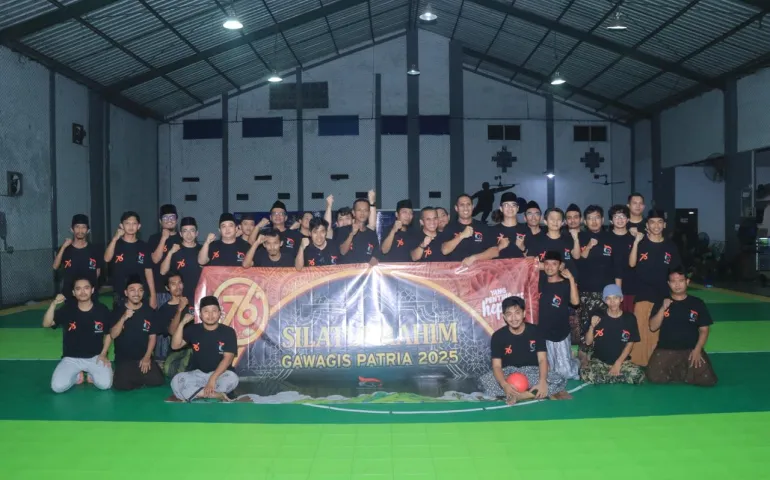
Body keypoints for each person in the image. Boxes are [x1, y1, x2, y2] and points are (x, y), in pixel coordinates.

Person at [478, 296, 568, 404]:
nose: (514, 318)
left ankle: (522, 396)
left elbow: (542, 359)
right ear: (504, 317)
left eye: (517, 313)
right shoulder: (498, 336)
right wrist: (504, 385)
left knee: (559, 379)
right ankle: (525, 392)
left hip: (532, 372)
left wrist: (542, 381)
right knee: (485, 382)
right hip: (508, 373)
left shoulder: (536, 331)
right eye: (509, 314)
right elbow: (496, 366)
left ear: (524, 313)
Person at [646, 268, 717, 386]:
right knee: (654, 377)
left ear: (687, 282)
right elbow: (653, 327)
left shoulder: (697, 303)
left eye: (681, 281)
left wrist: (697, 350)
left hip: (691, 349)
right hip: (666, 349)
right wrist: (663, 308)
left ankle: (682, 371)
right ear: (669, 284)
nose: (677, 284)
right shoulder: (661, 302)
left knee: (707, 380)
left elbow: (704, 330)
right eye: (673, 281)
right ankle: (682, 372)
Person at [629, 209, 682, 366]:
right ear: (647, 225)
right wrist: (636, 240)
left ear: (664, 225)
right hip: (642, 294)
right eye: (652, 222)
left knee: (658, 331)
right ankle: (638, 362)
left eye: (660, 222)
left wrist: (677, 293)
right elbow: (631, 264)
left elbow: (676, 270)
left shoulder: (670, 246)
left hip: (663, 295)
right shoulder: (640, 243)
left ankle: (657, 364)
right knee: (640, 329)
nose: (656, 225)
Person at [42, 277, 113, 393]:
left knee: (105, 385)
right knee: (57, 387)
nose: (83, 292)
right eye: (78, 289)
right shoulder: (67, 309)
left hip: (95, 357)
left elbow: (109, 333)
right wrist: (53, 304)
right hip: (71, 358)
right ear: (73, 292)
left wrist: (104, 354)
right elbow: (46, 324)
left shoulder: (102, 310)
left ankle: (91, 374)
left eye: (86, 288)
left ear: (92, 290)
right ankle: (76, 376)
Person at [170, 296, 239, 401]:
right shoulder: (193, 329)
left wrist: (212, 379)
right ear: (200, 314)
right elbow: (175, 345)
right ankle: (215, 394)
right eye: (206, 311)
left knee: (233, 378)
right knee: (176, 380)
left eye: (214, 311)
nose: (210, 315)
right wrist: (182, 323)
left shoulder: (228, 332)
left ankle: (198, 393)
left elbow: (228, 359)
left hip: (220, 375)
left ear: (219, 313)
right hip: (198, 375)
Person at [580, 284, 645, 385]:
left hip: (622, 362)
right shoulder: (597, 315)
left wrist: (618, 363)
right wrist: (592, 326)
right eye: (608, 298)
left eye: (615, 298)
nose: (612, 302)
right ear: (604, 301)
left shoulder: (629, 318)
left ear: (621, 299)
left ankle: (606, 378)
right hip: (600, 362)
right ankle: (615, 377)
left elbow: (630, 344)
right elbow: (588, 342)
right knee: (585, 374)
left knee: (639, 375)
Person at [109, 275, 165, 391]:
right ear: (126, 293)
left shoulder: (149, 312)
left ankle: (137, 376)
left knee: (158, 380)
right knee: (122, 385)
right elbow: (113, 335)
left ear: (143, 293)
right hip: (124, 359)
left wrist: (147, 357)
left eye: (140, 290)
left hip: (143, 358)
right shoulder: (118, 310)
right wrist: (123, 318)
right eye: (132, 290)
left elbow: (152, 337)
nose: (136, 294)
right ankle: (129, 375)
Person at [577, 205, 621, 343]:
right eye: (590, 218)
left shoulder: (611, 238)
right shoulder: (579, 237)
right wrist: (588, 246)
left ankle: (606, 351)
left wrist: (618, 293)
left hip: (607, 293)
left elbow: (617, 267)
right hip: (585, 291)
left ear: (602, 220)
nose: (594, 221)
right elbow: (577, 262)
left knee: (607, 326)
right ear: (585, 221)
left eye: (597, 217)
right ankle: (586, 353)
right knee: (586, 326)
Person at [539, 251, 580, 379]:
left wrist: (571, 279)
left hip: (560, 332)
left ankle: (576, 362)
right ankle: (567, 359)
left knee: (565, 373)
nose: (549, 267)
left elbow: (575, 302)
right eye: (547, 263)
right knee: (550, 372)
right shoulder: (539, 281)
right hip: (543, 332)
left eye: (554, 264)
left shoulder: (565, 284)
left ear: (560, 266)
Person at [104, 211, 155, 309]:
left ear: (139, 226)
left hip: (139, 293)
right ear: (121, 226)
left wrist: (153, 295)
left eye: (134, 223)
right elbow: (107, 258)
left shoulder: (144, 246)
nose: (131, 226)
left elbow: (148, 271)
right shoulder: (115, 243)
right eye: (127, 223)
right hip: (120, 293)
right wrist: (115, 238)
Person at [440, 194, 501, 266]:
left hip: (478, 271)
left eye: (468, 204)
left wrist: (473, 258)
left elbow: (495, 251)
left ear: (472, 207)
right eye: (462, 205)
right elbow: (445, 250)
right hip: (456, 271)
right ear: (456, 208)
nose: (465, 208)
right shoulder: (450, 227)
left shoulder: (483, 227)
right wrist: (461, 236)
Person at [53, 214, 103, 299]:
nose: (80, 230)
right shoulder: (65, 248)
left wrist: (87, 287)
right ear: (72, 229)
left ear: (88, 230)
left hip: (89, 295)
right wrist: (64, 247)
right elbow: (55, 266)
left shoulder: (95, 249)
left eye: (83, 227)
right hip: (69, 294)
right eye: (77, 227)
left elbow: (97, 272)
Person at [160, 217, 201, 304]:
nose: (189, 234)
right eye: (185, 231)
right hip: (179, 297)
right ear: (181, 234)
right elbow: (163, 271)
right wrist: (170, 253)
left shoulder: (202, 250)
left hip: (200, 295)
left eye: (192, 230)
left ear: (197, 233)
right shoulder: (175, 249)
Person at [148, 204, 182, 308]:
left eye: (172, 217)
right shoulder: (154, 238)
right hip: (161, 291)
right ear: (160, 221)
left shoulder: (183, 238)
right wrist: (163, 238)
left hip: (180, 289)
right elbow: (155, 259)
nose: (169, 220)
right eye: (165, 218)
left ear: (176, 220)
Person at [153, 271, 188, 365]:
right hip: (177, 351)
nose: (178, 286)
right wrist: (179, 310)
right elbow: (172, 331)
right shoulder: (164, 309)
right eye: (173, 284)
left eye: (179, 283)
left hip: (195, 347)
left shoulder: (192, 302)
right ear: (167, 288)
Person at [607, 205, 636, 313]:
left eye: (623, 216)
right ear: (611, 221)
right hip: (610, 288)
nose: (620, 219)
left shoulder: (635, 238)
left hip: (632, 287)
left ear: (628, 219)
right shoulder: (605, 238)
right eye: (616, 216)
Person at [338, 198, 380, 266]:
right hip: (346, 271)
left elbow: (376, 256)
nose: (362, 213)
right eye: (359, 210)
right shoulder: (343, 230)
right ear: (353, 212)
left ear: (369, 213)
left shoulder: (372, 234)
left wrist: (368, 268)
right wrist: (352, 234)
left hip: (365, 271)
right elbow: (342, 251)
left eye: (365, 210)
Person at [493, 193, 528, 259]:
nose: (510, 208)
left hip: (521, 266)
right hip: (499, 265)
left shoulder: (526, 230)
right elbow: (486, 258)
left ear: (517, 208)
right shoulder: (492, 230)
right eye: (506, 205)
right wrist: (499, 247)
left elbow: (533, 259)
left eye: (513, 205)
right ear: (501, 208)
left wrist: (523, 248)